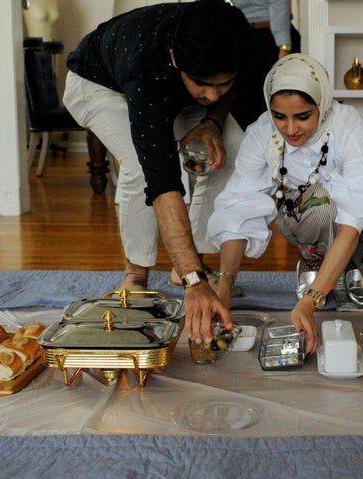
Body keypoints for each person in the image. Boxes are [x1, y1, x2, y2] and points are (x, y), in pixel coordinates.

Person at [62, 0, 252, 345]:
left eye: (220, 85)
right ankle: (135, 276)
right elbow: (162, 182)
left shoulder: (236, 40)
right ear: (177, 60)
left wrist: (212, 120)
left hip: (173, 91)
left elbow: (232, 92)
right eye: (202, 84)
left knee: (230, 149)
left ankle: (187, 270)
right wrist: (199, 287)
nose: (211, 94)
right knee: (140, 164)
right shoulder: (144, 68)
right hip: (99, 84)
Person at [207, 54, 363, 353]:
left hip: (347, 222)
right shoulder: (260, 133)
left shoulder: (347, 125)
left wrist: (311, 301)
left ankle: (354, 263)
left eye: (303, 116)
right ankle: (313, 258)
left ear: (322, 104)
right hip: (305, 217)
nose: (290, 128)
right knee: (323, 206)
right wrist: (225, 284)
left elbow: (353, 219)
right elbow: (239, 206)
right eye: (280, 116)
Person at [230, 0, 301, 127]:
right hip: (246, 35)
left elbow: (279, 3)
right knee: (245, 101)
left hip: (273, 38)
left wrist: (284, 46)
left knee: (278, 99)